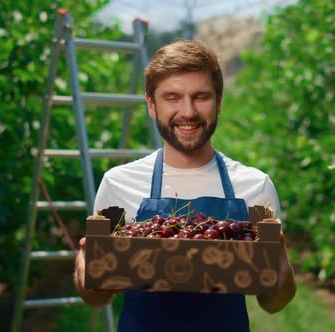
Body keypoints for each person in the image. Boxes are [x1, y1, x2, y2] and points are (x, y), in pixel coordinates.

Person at [73, 39, 296, 332]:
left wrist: (281, 269)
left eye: (200, 96)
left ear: (219, 101)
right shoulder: (118, 184)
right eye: (173, 97)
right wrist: (87, 271)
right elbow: (97, 298)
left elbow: (273, 302)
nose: (188, 111)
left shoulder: (254, 186)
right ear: (152, 105)